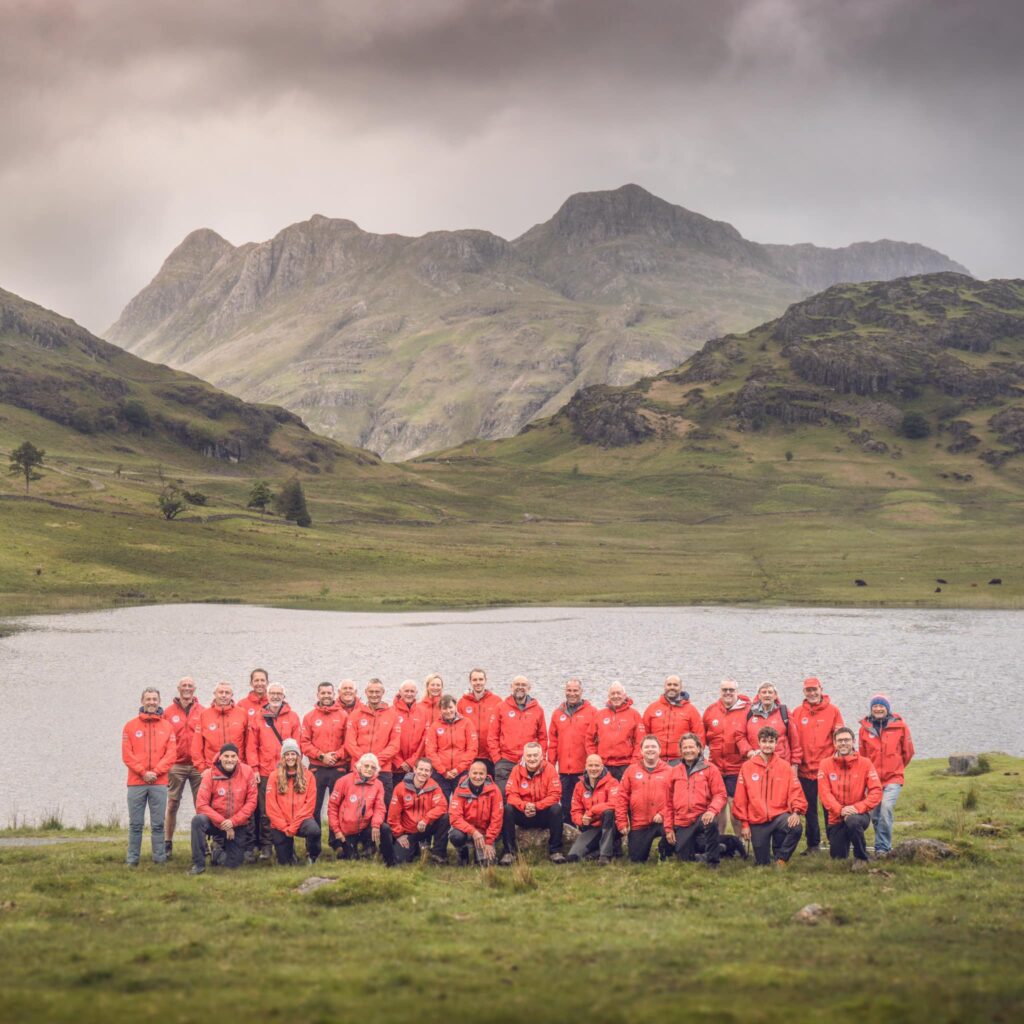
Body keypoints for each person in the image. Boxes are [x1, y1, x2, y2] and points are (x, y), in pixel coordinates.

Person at [733, 726, 808, 867]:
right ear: (759, 743)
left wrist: (796, 812)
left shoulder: (785, 766)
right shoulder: (747, 767)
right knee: (762, 863)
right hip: (757, 820)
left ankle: (781, 859)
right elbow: (741, 797)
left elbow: (795, 790)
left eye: (771, 741)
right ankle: (766, 855)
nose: (768, 745)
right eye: (764, 741)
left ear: (776, 743)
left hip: (779, 816)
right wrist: (745, 824)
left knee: (796, 826)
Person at [122, 687, 177, 867]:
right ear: (142, 701)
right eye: (148, 699)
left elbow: (171, 754)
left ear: (159, 702)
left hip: (159, 782)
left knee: (158, 824)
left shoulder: (167, 727)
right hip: (136, 782)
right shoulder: (130, 726)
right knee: (136, 824)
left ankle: (159, 859)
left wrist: (156, 772)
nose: (151, 702)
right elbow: (127, 754)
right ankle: (132, 860)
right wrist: (143, 772)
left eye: (155, 699)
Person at [246, 682, 301, 860]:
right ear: (267, 696)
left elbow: (297, 744)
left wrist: (295, 767)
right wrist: (254, 768)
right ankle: (266, 845)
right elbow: (252, 747)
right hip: (264, 771)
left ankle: (286, 845)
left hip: (287, 770)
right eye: (272, 693)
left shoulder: (292, 717)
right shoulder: (258, 718)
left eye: (279, 693)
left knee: (287, 809)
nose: (276, 696)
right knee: (265, 811)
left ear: (284, 696)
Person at [792, 676, 844, 854]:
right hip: (805, 771)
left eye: (815, 689)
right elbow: (793, 740)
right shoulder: (797, 713)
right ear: (804, 692)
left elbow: (840, 739)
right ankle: (813, 845)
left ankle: (834, 841)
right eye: (808, 690)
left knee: (830, 807)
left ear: (821, 689)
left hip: (828, 770)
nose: (812, 693)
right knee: (809, 810)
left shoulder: (833, 711)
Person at [189, 742, 258, 875]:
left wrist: (233, 822)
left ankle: (217, 853)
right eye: (226, 756)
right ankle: (198, 864)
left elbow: (251, 802)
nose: (230, 759)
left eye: (233, 756)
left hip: (237, 824)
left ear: (238, 758)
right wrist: (223, 823)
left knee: (233, 865)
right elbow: (201, 805)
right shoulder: (210, 774)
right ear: (220, 757)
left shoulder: (247, 771)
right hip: (215, 823)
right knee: (198, 821)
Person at [858, 694, 915, 855]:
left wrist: (897, 767)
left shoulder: (900, 727)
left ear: (887, 708)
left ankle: (882, 849)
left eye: (881, 706)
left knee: (886, 808)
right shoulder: (864, 729)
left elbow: (908, 752)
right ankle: (883, 845)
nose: (878, 709)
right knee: (875, 815)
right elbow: (862, 757)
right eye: (875, 706)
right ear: (871, 709)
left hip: (893, 778)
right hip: (873, 780)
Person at [818, 727, 882, 864]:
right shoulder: (825, 764)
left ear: (853, 741)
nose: (843, 743)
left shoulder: (865, 763)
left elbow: (876, 791)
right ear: (834, 743)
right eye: (839, 740)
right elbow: (824, 793)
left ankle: (862, 856)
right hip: (836, 816)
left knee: (852, 821)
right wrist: (840, 810)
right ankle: (845, 842)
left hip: (859, 814)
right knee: (838, 858)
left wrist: (857, 808)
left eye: (846, 740)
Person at [300, 681, 349, 854]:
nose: (326, 696)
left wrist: (335, 755)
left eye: (329, 693)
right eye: (323, 693)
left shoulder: (343, 715)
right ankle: (313, 847)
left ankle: (337, 843)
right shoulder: (309, 717)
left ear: (334, 694)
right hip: (316, 768)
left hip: (339, 768)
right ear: (317, 695)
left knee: (338, 807)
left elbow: (348, 742)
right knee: (314, 807)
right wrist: (321, 756)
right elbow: (304, 743)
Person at [664, 733, 727, 867]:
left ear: (699, 748)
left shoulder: (710, 768)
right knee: (684, 858)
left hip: (701, 817)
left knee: (712, 823)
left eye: (691, 747)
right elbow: (668, 802)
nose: (688, 751)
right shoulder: (674, 771)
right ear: (681, 751)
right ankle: (720, 847)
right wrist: (669, 828)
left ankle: (713, 861)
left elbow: (720, 794)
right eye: (685, 748)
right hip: (683, 821)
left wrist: (711, 811)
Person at [501, 742, 565, 864]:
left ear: (541, 756)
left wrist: (536, 806)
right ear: (524, 757)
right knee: (508, 809)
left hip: (542, 813)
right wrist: (524, 806)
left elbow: (555, 795)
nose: (532, 759)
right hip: (523, 814)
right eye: (529, 756)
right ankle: (509, 852)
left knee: (556, 809)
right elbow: (510, 795)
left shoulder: (550, 769)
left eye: (535, 755)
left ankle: (555, 851)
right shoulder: (516, 770)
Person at [327, 752, 396, 866]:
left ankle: (390, 862)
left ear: (376, 770)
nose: (369, 769)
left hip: (366, 827)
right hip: (347, 830)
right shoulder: (343, 781)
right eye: (366, 766)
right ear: (359, 766)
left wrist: (375, 825)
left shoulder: (378, 784)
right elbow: (332, 807)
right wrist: (337, 831)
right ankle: (348, 848)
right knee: (351, 858)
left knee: (385, 828)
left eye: (373, 767)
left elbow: (380, 808)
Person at [162, 676, 204, 858]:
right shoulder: (168, 713)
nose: (187, 688)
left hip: (197, 766)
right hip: (176, 765)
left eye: (190, 686)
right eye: (184, 685)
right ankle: (167, 842)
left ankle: (204, 844)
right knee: (172, 804)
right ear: (178, 688)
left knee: (202, 806)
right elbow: (162, 739)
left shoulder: (203, 711)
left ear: (194, 689)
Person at [703, 679, 750, 835]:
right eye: (724, 690)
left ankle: (740, 842)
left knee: (736, 809)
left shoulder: (747, 711)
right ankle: (718, 842)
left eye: (731, 690)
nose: (728, 693)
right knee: (717, 808)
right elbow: (702, 738)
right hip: (715, 767)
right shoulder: (711, 711)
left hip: (737, 768)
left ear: (737, 691)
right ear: (720, 691)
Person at [344, 679, 401, 806]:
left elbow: (394, 745)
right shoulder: (355, 714)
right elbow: (350, 743)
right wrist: (365, 763)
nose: (374, 694)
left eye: (377, 692)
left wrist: (375, 763)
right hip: (358, 768)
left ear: (383, 692)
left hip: (383, 769)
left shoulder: (392, 715)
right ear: (366, 692)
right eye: (371, 691)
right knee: (356, 806)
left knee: (383, 805)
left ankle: (381, 827)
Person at [615, 735, 672, 863]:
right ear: (641, 751)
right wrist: (622, 821)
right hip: (639, 823)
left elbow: (676, 798)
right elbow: (621, 797)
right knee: (636, 859)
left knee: (676, 834)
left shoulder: (670, 771)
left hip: (663, 821)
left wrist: (663, 813)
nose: (650, 749)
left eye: (653, 746)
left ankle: (664, 851)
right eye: (646, 747)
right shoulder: (631, 770)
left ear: (660, 750)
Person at [547, 678, 597, 824]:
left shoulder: (592, 712)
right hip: (564, 770)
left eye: (575, 690)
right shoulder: (557, 713)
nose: (572, 693)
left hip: (584, 770)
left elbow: (596, 740)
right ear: (565, 691)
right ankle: (568, 834)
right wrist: (551, 765)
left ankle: (585, 832)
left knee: (585, 804)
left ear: (581, 691)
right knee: (566, 804)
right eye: (569, 690)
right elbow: (553, 742)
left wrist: (594, 764)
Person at [265, 738, 322, 865]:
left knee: (314, 830)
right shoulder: (274, 776)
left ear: (298, 756)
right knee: (285, 863)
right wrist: (284, 826)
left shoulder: (309, 776)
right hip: (281, 823)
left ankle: (312, 856)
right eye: (287, 754)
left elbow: (309, 805)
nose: (290, 757)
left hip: (301, 820)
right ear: (283, 757)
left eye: (293, 754)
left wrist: (293, 826)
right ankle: (289, 854)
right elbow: (271, 806)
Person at [488, 675, 547, 794]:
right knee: (504, 798)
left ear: (529, 688)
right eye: (517, 685)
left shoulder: (537, 709)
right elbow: (492, 736)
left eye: (523, 685)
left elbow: (543, 737)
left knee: (529, 796)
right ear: (511, 687)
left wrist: (541, 759)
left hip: (529, 761)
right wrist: (497, 759)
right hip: (505, 761)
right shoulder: (501, 707)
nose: (520, 687)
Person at [388, 757, 450, 864]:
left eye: (426, 770)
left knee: (445, 818)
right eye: (421, 769)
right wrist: (399, 835)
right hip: (408, 831)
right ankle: (415, 847)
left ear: (430, 773)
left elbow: (442, 806)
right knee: (400, 860)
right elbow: (393, 816)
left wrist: (426, 819)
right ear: (414, 769)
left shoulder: (434, 786)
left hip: (425, 827)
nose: (423, 773)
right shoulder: (400, 787)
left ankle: (438, 854)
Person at [448, 760, 504, 866]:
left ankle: (480, 852)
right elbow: (455, 818)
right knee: (455, 835)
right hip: (467, 831)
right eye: (474, 773)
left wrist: (489, 840)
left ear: (486, 775)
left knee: (486, 865)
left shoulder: (494, 790)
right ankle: (462, 852)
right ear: (469, 773)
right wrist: (473, 832)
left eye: (481, 773)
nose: (478, 777)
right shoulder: (460, 789)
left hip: (485, 833)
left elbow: (497, 818)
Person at [567, 754, 619, 864]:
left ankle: (604, 856)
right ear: (585, 766)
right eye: (590, 765)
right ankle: (609, 850)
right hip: (592, 828)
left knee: (609, 812)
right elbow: (575, 810)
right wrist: (582, 820)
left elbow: (615, 803)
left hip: (610, 826)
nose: (593, 769)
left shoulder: (612, 782)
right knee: (573, 857)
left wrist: (591, 812)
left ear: (602, 766)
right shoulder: (579, 785)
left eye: (596, 765)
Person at [587, 682, 645, 780]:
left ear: (624, 695)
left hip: (625, 765)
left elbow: (640, 742)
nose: (616, 696)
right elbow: (589, 739)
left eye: (618, 693)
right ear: (608, 696)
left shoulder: (634, 715)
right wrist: (594, 759)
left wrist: (634, 763)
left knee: (624, 794)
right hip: (604, 765)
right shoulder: (599, 715)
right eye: (613, 694)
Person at [740, 682, 803, 771]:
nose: (767, 695)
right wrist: (749, 752)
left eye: (770, 692)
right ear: (759, 695)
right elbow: (740, 736)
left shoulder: (784, 712)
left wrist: (795, 765)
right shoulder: (749, 713)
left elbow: (794, 740)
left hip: (781, 764)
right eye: (764, 692)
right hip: (755, 763)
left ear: (775, 695)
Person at [642, 676, 704, 766]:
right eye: (669, 684)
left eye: (675, 685)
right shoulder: (652, 708)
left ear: (680, 688)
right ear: (664, 686)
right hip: (656, 760)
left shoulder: (691, 710)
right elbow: (644, 735)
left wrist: (696, 759)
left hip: (681, 761)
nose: (672, 687)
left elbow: (699, 736)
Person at [425, 694, 478, 798]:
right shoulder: (435, 726)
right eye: (444, 708)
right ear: (440, 710)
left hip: (462, 772)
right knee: (440, 805)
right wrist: (443, 771)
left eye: (450, 707)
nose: (448, 711)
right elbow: (430, 751)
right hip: (440, 773)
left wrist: (458, 769)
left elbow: (472, 749)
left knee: (463, 803)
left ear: (455, 707)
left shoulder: (467, 723)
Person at [191, 681, 248, 773]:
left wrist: (246, 766)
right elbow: (197, 745)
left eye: (227, 693)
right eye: (221, 692)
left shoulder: (242, 713)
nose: (224, 695)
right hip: (211, 769)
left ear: (232, 695)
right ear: (215, 694)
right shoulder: (204, 715)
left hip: (237, 768)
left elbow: (249, 743)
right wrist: (202, 768)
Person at [457, 668, 502, 776]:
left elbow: (503, 728)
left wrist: (497, 754)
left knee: (491, 788)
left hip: (490, 755)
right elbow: (457, 729)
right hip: (469, 755)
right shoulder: (462, 702)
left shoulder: (497, 701)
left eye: (481, 679)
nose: (478, 683)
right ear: (470, 682)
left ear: (485, 681)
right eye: (475, 680)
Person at [392, 679, 429, 778]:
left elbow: (425, 739)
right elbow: (388, 740)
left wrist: (412, 762)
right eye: (406, 691)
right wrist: (399, 762)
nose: (409, 694)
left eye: (412, 691)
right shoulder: (391, 711)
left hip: (416, 767)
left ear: (416, 693)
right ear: (400, 692)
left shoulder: (423, 712)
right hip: (395, 768)